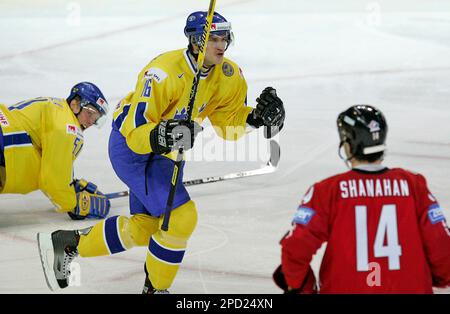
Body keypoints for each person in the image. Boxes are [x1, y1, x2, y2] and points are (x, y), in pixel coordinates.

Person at [37, 11, 285, 293]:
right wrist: (164, 134)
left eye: (224, 38)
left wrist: (254, 118)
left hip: (165, 153)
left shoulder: (228, 76)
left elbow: (227, 126)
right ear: (194, 41)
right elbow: (135, 133)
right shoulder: (163, 72)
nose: (220, 45)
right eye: (213, 38)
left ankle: (68, 243)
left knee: (145, 227)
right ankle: (156, 288)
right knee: (182, 217)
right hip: (131, 149)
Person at [273, 105, 450, 294]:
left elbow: (295, 247)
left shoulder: (327, 191)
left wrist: (300, 287)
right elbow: (441, 244)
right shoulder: (414, 186)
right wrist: (439, 277)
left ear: (347, 145)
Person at [0, 82, 111, 220]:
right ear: (75, 105)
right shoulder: (67, 127)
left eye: (96, 119)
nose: (90, 122)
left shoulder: (56, 107)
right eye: (89, 114)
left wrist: (67, 184)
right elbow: (52, 179)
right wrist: (73, 203)